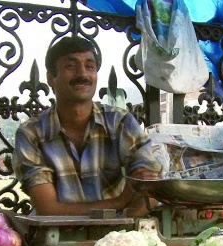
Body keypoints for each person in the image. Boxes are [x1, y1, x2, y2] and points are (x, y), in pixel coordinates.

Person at [11, 36, 162, 216]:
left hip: (115, 233)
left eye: (90, 66)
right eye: (71, 66)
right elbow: (48, 209)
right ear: (51, 78)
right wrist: (120, 202)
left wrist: (123, 226)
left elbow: (150, 189)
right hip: (54, 238)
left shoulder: (120, 122)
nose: (82, 74)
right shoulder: (31, 133)